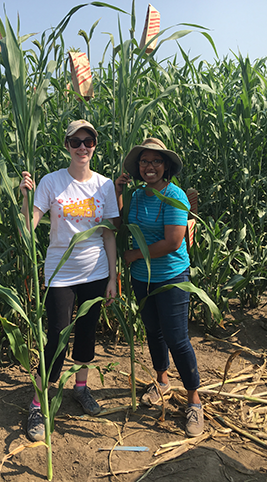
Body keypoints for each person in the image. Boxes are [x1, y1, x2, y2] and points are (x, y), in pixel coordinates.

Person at [20, 119, 119, 441]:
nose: (82, 147)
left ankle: (81, 388)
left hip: (96, 270)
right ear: (67, 145)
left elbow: (108, 235)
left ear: (94, 145)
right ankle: (38, 403)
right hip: (60, 270)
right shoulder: (51, 182)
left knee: (88, 333)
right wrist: (25, 197)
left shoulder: (104, 185)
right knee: (57, 336)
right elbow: (29, 226)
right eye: (75, 142)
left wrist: (113, 278)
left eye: (88, 141)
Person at [115, 137, 204, 438]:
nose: (149, 167)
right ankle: (162, 381)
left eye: (155, 161)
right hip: (143, 277)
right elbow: (119, 225)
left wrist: (134, 254)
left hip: (171, 277)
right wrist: (118, 191)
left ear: (165, 166)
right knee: (153, 331)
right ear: (138, 167)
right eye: (144, 162)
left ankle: (194, 400)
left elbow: (173, 242)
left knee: (177, 339)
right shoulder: (137, 196)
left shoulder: (175, 195)